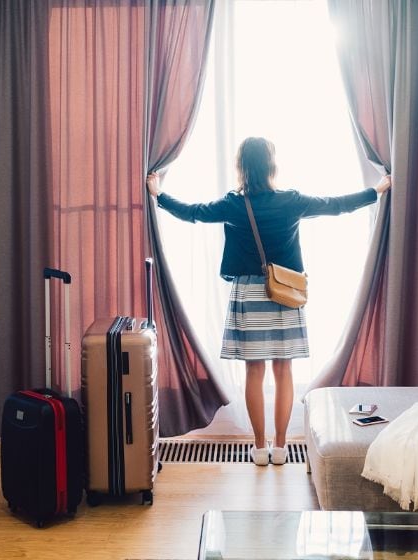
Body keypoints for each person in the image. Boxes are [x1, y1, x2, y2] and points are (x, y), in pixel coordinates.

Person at [146, 136, 391, 466]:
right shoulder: (290, 201)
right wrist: (377, 190)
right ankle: (280, 447)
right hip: (285, 295)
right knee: (284, 370)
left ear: (242, 167)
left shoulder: (235, 204)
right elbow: (335, 205)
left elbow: (194, 213)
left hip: (248, 295)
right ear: (271, 165)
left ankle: (259, 448)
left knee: (254, 373)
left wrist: (158, 195)